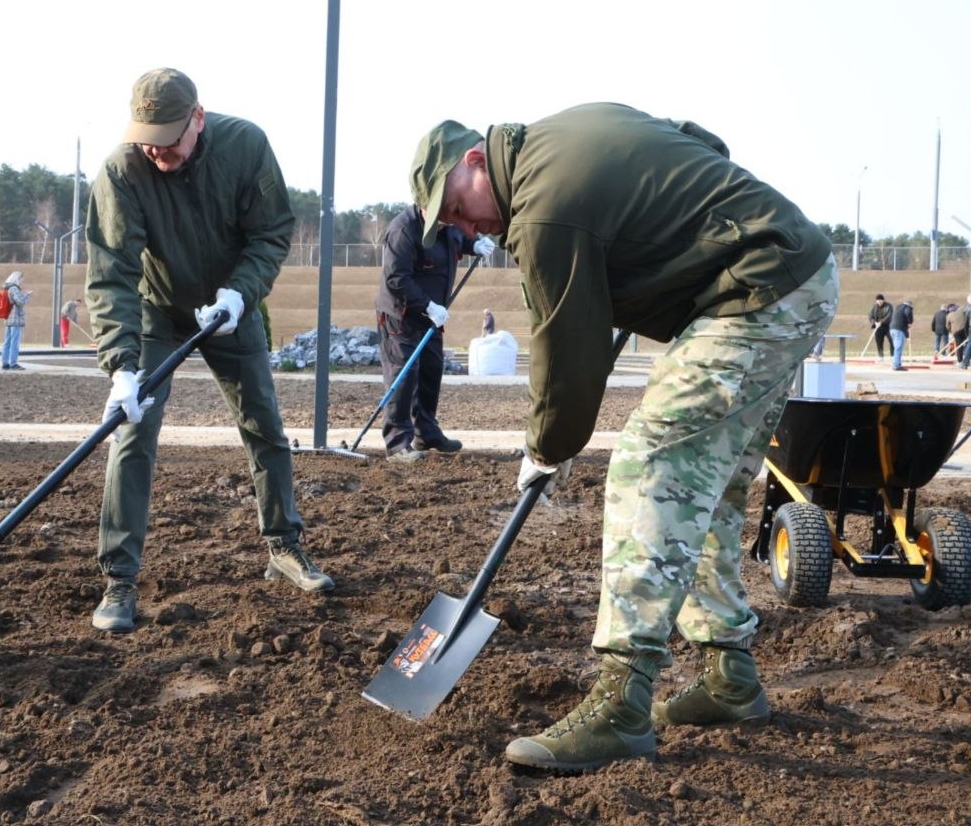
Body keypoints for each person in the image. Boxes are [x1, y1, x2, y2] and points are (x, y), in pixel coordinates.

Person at [408, 104, 837, 772]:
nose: (465, 229)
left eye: (457, 209)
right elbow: (703, 143)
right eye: (451, 226)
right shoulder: (567, 139)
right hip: (796, 274)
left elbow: (565, 349)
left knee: (650, 465)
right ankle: (730, 676)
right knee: (709, 489)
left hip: (756, 292)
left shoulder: (544, 207)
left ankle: (621, 706)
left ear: (474, 163)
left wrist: (545, 446)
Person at [85, 66, 331, 635]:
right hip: (157, 310)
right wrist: (122, 367)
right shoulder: (123, 170)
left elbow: (271, 232)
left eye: (170, 138)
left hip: (229, 308)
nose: (157, 150)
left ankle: (284, 548)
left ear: (198, 118)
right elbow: (111, 275)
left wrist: (238, 296)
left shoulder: (245, 146)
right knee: (133, 432)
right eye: (148, 137)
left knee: (264, 423)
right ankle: (120, 579)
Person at [374, 204, 492, 461]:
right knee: (403, 375)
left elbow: (458, 239)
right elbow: (396, 278)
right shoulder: (403, 230)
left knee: (431, 370)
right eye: (440, 217)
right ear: (424, 206)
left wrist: (474, 245)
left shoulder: (446, 226)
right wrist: (427, 305)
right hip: (401, 316)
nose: (445, 222)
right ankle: (397, 443)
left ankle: (426, 432)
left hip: (432, 317)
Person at [0, 270, 31, 370]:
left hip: (8, 318)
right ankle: (13, 363)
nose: (22, 281)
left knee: (7, 341)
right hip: (15, 318)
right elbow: (20, 302)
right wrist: (27, 296)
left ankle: (5, 363)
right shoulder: (14, 288)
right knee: (14, 342)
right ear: (17, 279)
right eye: (21, 279)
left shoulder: (6, 288)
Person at [889, 297, 914, 370]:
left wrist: (907, 336)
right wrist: (910, 322)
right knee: (898, 348)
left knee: (897, 348)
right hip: (898, 330)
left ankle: (897, 364)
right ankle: (896, 365)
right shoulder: (907, 308)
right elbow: (908, 313)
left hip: (892, 329)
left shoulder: (898, 308)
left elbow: (902, 322)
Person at [868, 294, 893, 360]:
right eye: (878, 300)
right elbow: (870, 316)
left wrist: (881, 322)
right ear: (876, 301)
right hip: (878, 327)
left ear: (883, 300)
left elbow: (889, 316)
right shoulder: (874, 307)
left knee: (892, 340)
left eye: (881, 300)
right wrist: (874, 322)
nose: (879, 301)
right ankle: (881, 356)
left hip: (888, 326)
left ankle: (893, 356)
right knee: (879, 341)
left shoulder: (888, 306)